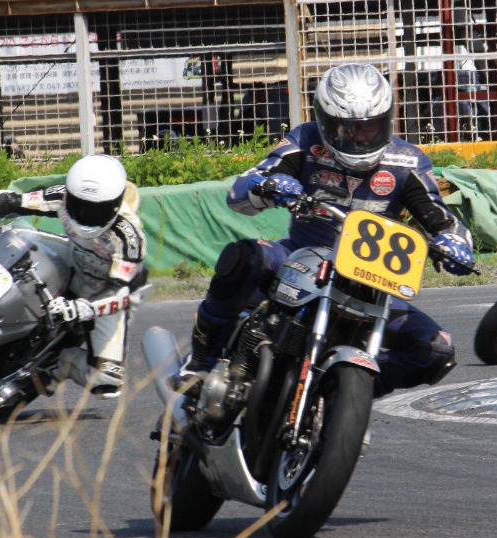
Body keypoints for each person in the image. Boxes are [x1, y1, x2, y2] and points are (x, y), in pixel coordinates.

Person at [181, 63, 475, 397]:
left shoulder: (408, 160)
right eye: (348, 129)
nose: (361, 137)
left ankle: (337, 394)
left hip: (372, 282)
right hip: (298, 257)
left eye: (371, 127)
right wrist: (269, 185)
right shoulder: (305, 140)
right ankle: (199, 362)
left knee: (436, 350)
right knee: (245, 257)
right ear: (325, 121)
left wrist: (455, 242)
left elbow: (442, 218)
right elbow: (241, 190)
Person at [0, 154, 147, 397]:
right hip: (72, 258)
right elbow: (13, 201)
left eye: (96, 209)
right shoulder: (62, 196)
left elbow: (121, 293)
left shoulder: (129, 238)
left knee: (106, 379)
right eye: (78, 204)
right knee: (12, 239)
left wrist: (86, 308)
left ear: (114, 205)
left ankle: (57, 364)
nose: (84, 214)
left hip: (103, 289)